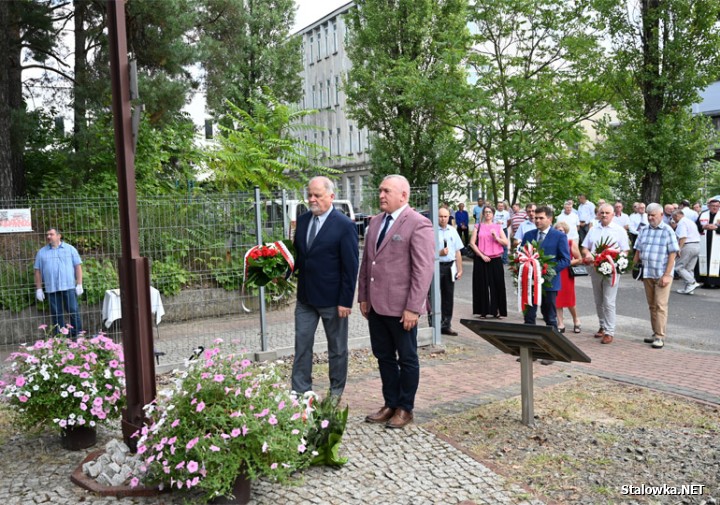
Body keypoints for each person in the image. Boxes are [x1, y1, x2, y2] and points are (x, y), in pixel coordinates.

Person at [359, 175, 434, 429]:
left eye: (386, 191)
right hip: (377, 306)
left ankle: (405, 407)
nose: (381, 195)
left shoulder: (418, 223)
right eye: (380, 190)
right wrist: (363, 296)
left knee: (407, 358)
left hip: (403, 308)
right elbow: (367, 262)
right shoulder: (375, 222)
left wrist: (413, 307)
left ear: (404, 195)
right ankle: (390, 402)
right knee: (384, 357)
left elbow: (423, 270)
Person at [291, 177, 359, 399]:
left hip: (333, 299)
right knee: (302, 345)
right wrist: (281, 272)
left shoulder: (344, 225)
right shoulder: (302, 221)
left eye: (317, 195)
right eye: (309, 194)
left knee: (337, 349)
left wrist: (345, 301)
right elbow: (299, 257)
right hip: (306, 298)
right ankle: (300, 390)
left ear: (331, 196)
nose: (312, 199)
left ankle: (335, 392)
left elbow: (350, 267)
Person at [581, 204, 630, 344]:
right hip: (596, 267)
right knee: (598, 299)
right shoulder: (593, 229)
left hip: (612, 269)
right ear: (598, 214)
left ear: (613, 214)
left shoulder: (619, 230)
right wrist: (588, 254)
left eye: (607, 212)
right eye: (601, 212)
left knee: (609, 301)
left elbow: (625, 250)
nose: (604, 215)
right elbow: (585, 247)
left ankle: (609, 331)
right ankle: (602, 325)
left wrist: (619, 261)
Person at [633, 203, 679, 349]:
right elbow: (638, 250)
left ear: (661, 215)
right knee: (652, 305)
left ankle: (660, 336)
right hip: (647, 273)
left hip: (662, 274)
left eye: (653, 215)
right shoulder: (644, 230)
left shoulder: (667, 230)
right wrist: (635, 267)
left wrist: (667, 275)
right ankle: (655, 333)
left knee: (660, 305)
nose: (650, 217)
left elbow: (673, 254)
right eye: (649, 215)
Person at [520, 206, 570, 330]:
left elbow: (565, 260)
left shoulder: (559, 236)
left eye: (541, 218)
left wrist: (547, 271)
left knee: (549, 316)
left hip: (549, 282)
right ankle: (529, 343)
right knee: (529, 316)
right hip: (530, 282)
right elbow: (521, 255)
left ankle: (553, 345)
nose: (537, 220)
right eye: (536, 218)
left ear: (549, 219)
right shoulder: (528, 235)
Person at [34, 228, 83, 338]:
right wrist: (39, 288)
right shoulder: (41, 252)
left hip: (69, 286)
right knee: (56, 314)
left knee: (73, 311)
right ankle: (60, 338)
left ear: (59, 236)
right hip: (51, 288)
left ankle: (78, 336)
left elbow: (78, 267)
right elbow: (37, 271)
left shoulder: (70, 249)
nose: (48, 237)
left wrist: (79, 284)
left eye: (51, 234)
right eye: (47, 235)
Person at [469, 205, 508, 319]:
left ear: (493, 214)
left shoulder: (498, 227)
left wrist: (497, 238)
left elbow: (505, 242)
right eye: (485, 212)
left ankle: (497, 310)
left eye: (490, 212)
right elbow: (472, 243)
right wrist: (482, 255)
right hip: (481, 259)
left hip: (495, 259)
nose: (487, 214)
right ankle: (483, 310)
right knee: (481, 285)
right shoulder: (478, 226)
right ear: (482, 214)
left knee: (498, 285)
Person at [437, 207, 464, 335]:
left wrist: (460, 269)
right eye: (441, 216)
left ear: (449, 217)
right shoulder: (431, 231)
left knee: (448, 296)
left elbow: (458, 251)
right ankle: (435, 324)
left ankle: (446, 324)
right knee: (434, 296)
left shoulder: (453, 231)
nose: (443, 219)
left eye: (445, 216)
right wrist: (439, 253)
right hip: (436, 266)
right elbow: (425, 253)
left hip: (450, 266)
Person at [554, 221, 583, 334]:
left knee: (569, 299)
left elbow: (579, 259)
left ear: (565, 232)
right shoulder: (553, 243)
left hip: (567, 273)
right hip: (556, 272)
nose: (559, 232)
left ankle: (576, 319)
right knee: (557, 299)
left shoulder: (570, 243)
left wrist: (567, 262)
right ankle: (560, 323)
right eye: (557, 230)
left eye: (561, 230)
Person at [672, 209, 701, 294]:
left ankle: (692, 282)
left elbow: (683, 237)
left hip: (688, 246)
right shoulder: (690, 221)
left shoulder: (682, 223)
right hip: (697, 245)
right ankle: (689, 288)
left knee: (679, 267)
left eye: (674, 218)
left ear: (677, 216)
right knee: (689, 268)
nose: (674, 220)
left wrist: (679, 249)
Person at [697, 198, 720, 288]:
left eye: (717, 206)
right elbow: (697, 226)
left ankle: (717, 283)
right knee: (705, 261)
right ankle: (706, 282)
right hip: (705, 243)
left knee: (717, 262)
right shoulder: (703, 214)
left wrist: (716, 228)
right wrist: (703, 226)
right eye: (713, 206)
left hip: (718, 244)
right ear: (709, 206)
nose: (715, 208)